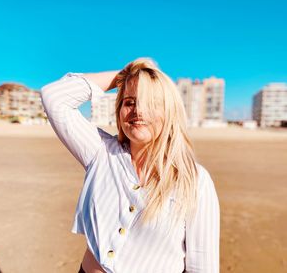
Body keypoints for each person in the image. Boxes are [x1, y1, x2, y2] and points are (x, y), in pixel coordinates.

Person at [40, 58, 220, 273]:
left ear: (169, 112)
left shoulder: (194, 180)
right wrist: (127, 74)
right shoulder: (101, 153)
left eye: (151, 103)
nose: (138, 112)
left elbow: (202, 265)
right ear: (119, 110)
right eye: (130, 102)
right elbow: (55, 97)